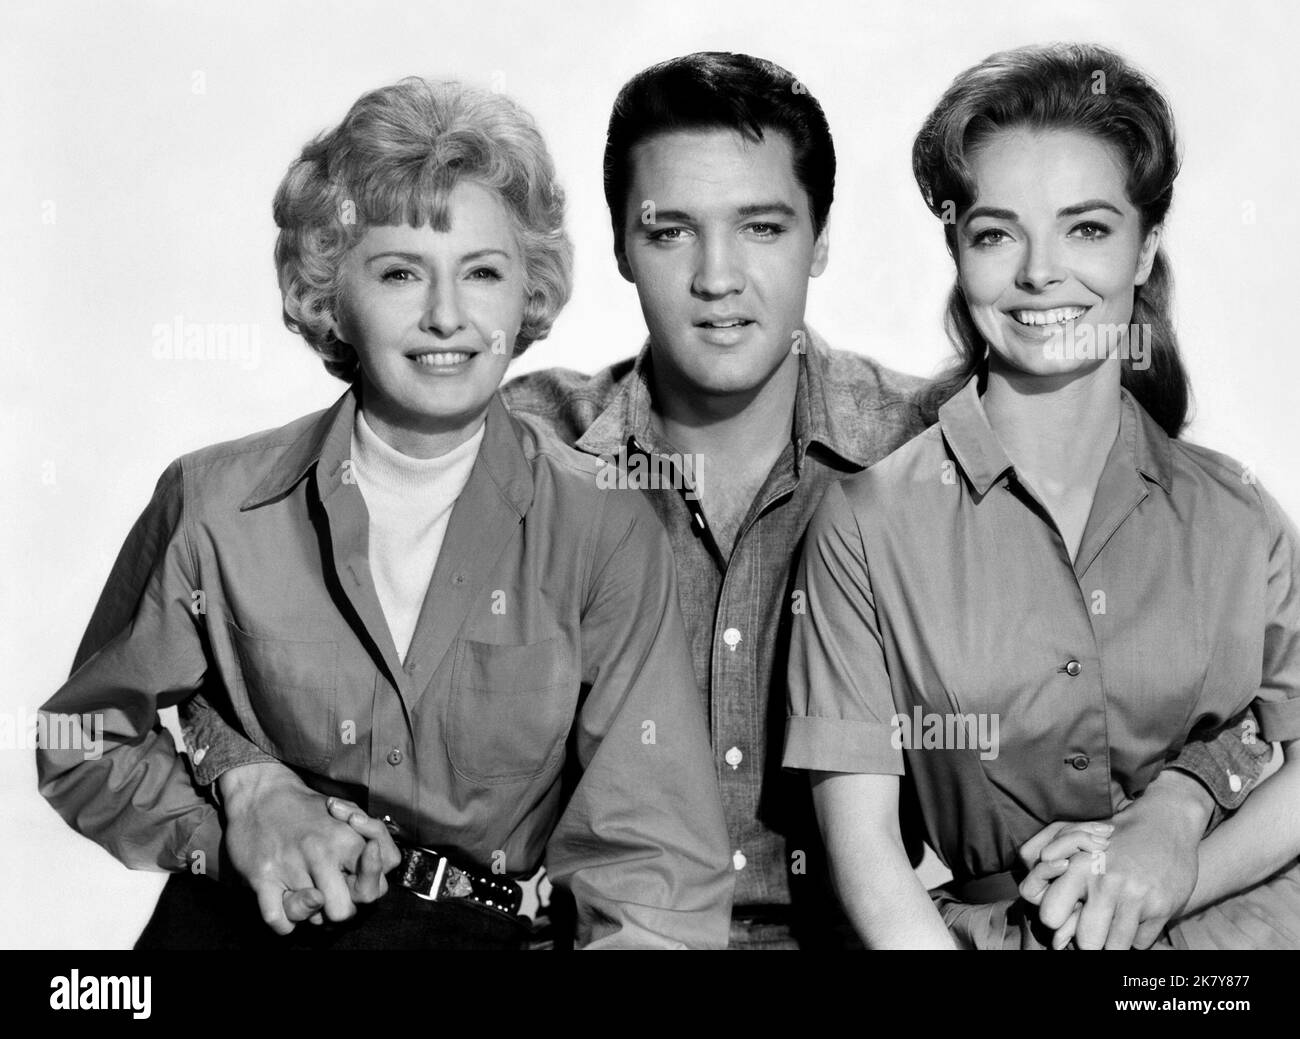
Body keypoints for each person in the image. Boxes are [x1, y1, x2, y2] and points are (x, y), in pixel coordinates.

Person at [180, 52, 1265, 950]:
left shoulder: (937, 455)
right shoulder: (519, 441)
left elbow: (1181, 658)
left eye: (760, 227)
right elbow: (260, 660)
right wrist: (250, 783)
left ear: (821, 238)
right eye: (669, 232)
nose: (716, 276)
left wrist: (1175, 808)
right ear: (615, 247)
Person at [36, 76, 733, 950]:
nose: (447, 315)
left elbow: (651, 867)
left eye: (482, 272)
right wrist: (228, 826)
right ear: (331, 292)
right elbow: (77, 737)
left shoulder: (601, 529)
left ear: (528, 293)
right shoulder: (213, 504)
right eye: (401, 271)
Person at [784, 42, 1300, 949]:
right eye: (996, 233)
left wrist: (1173, 862)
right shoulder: (864, 526)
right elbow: (864, 855)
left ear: (1145, 252)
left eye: (1088, 229)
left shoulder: (1239, 514)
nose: (1039, 272)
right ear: (957, 250)